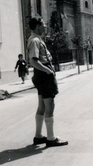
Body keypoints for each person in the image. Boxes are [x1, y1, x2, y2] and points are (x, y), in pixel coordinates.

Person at [27, 17, 68, 147]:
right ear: (38, 26)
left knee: (42, 106)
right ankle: (51, 138)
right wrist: (48, 71)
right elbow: (33, 61)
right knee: (50, 106)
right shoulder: (35, 41)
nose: (45, 27)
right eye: (43, 25)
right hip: (44, 76)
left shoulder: (37, 40)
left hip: (41, 76)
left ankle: (38, 136)